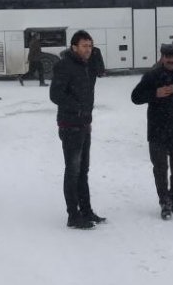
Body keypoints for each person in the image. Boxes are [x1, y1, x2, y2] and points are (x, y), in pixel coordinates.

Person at [131, 44, 173, 220]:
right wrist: (155, 93)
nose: (171, 60)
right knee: (160, 169)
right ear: (162, 58)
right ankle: (164, 202)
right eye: (168, 57)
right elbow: (135, 97)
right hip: (156, 131)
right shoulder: (152, 75)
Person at [50, 30, 105, 230]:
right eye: (84, 46)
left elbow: (100, 72)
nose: (88, 49)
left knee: (83, 171)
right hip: (70, 125)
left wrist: (96, 55)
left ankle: (86, 210)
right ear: (74, 47)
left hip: (84, 124)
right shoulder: (63, 66)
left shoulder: (88, 65)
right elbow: (55, 95)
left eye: (90, 46)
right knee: (73, 171)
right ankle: (73, 215)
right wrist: (78, 108)